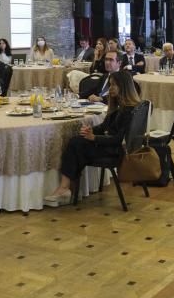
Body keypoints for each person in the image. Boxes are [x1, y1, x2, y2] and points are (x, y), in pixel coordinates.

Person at [44, 71, 141, 207]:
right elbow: (104, 127)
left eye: (114, 85)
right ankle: (66, 188)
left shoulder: (128, 111)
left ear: (124, 87)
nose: (110, 88)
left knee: (75, 144)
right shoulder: (121, 106)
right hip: (111, 146)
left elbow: (117, 140)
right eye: (110, 85)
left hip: (116, 152)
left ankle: (64, 188)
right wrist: (91, 131)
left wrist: (94, 138)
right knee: (76, 141)